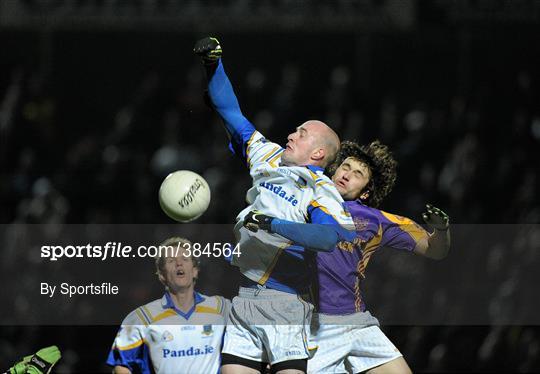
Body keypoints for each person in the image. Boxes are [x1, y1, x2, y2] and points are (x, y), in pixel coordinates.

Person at [193, 37, 355, 374]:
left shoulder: (320, 189)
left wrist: (271, 225)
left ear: (318, 154)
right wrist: (213, 64)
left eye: (302, 133)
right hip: (246, 297)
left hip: (285, 303)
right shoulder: (269, 156)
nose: (292, 135)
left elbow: (330, 238)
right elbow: (230, 112)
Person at [252, 140, 451, 373]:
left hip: (358, 322)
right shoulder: (303, 200)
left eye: (357, 174)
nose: (347, 174)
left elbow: (435, 249)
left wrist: (442, 230)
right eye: (345, 167)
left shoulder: (375, 220)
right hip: (316, 326)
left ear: (365, 192)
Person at [106, 237, 229, 374]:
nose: (179, 264)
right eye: (171, 260)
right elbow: (121, 366)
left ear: (195, 270)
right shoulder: (141, 317)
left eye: (185, 259)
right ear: (162, 275)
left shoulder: (220, 307)